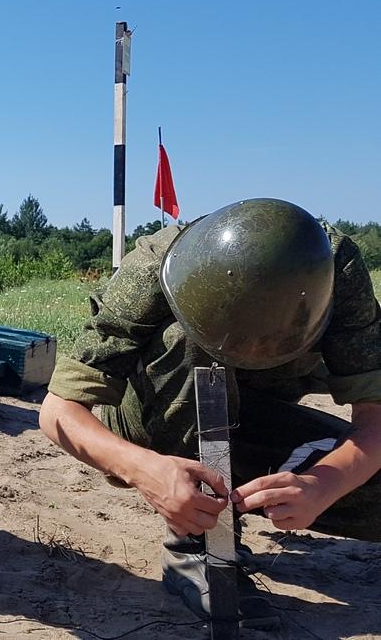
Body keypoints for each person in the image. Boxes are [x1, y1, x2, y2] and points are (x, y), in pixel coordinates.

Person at [38, 198, 381, 629]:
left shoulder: (334, 273)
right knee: (182, 341)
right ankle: (195, 547)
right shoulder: (155, 266)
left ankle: (223, 505)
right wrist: (145, 471)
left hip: (250, 423)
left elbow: (375, 418)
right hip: (152, 417)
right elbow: (58, 411)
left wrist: (323, 483)